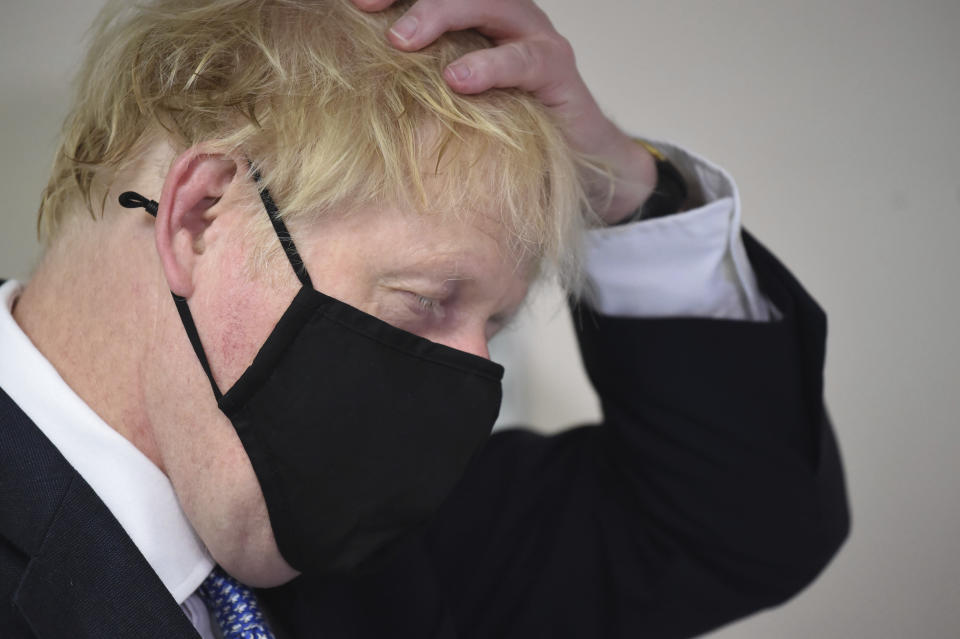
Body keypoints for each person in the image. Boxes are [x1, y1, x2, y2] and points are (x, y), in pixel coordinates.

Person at [0, 0, 849, 637]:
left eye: (496, 326)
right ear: (201, 215)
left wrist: (618, 185)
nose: (473, 379)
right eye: (428, 300)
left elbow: (737, 527)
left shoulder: (390, 550)